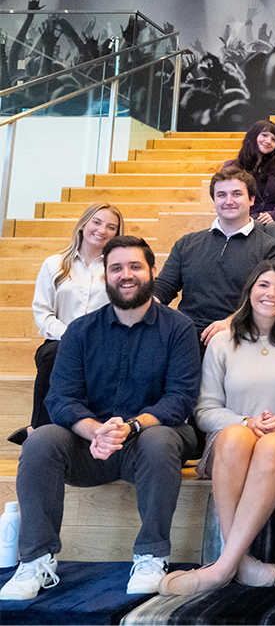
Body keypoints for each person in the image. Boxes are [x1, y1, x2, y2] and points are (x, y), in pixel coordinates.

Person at [0, 236, 199, 601]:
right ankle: (36, 560)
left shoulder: (179, 328)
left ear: (152, 272)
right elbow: (60, 398)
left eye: (135, 266)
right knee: (41, 439)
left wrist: (133, 425)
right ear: (105, 275)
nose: (127, 275)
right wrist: (95, 431)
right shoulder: (80, 331)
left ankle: (152, 555)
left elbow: (181, 398)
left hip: (150, 441)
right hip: (92, 446)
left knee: (162, 439)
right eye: (117, 268)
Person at [157, 260, 275, 595]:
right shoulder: (222, 341)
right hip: (235, 443)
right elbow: (204, 409)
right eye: (263, 285)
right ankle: (239, 561)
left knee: (270, 444)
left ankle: (219, 569)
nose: (270, 293)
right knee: (235, 436)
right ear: (249, 291)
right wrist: (245, 422)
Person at [154, 167, 275, 348]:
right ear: (214, 200)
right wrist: (146, 305)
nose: (229, 201)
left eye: (237, 194)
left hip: (241, 337)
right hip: (187, 337)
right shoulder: (187, 243)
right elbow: (164, 287)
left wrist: (230, 322)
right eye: (222, 195)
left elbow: (269, 299)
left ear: (251, 200)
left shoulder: (271, 248)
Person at [24, 203, 123, 434]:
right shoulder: (54, 264)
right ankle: (40, 429)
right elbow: (43, 312)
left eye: (111, 227)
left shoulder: (117, 269)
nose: (102, 230)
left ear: (117, 234)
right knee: (54, 354)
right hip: (60, 341)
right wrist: (71, 336)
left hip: (104, 344)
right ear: (83, 225)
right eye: (96, 222)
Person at [224, 120, 275, 245]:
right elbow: (228, 197)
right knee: (254, 226)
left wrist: (274, 214)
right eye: (264, 135)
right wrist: (249, 217)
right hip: (243, 221)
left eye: (274, 140)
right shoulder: (232, 167)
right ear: (253, 135)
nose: (269, 141)